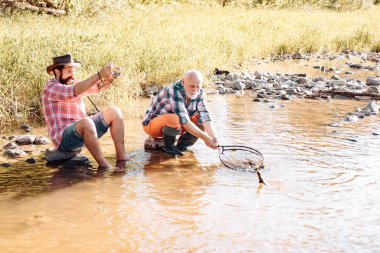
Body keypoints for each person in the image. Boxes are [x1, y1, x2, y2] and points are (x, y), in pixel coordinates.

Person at [42, 54, 130, 169]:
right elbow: (75, 90)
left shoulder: (74, 84)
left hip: (83, 131)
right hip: (63, 139)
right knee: (86, 122)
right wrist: (99, 75)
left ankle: (121, 157)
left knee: (115, 112)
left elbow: (99, 87)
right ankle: (104, 165)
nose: (72, 75)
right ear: (57, 72)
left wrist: (110, 79)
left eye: (73, 71)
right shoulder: (51, 88)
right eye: (69, 71)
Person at [142, 70, 218, 156]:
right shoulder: (174, 91)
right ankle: (169, 148)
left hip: (176, 125)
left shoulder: (200, 93)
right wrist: (206, 138)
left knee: (199, 119)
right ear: (183, 82)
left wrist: (213, 138)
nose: (195, 90)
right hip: (151, 125)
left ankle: (181, 147)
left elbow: (205, 116)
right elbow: (185, 122)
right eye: (192, 86)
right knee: (174, 118)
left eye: (198, 86)